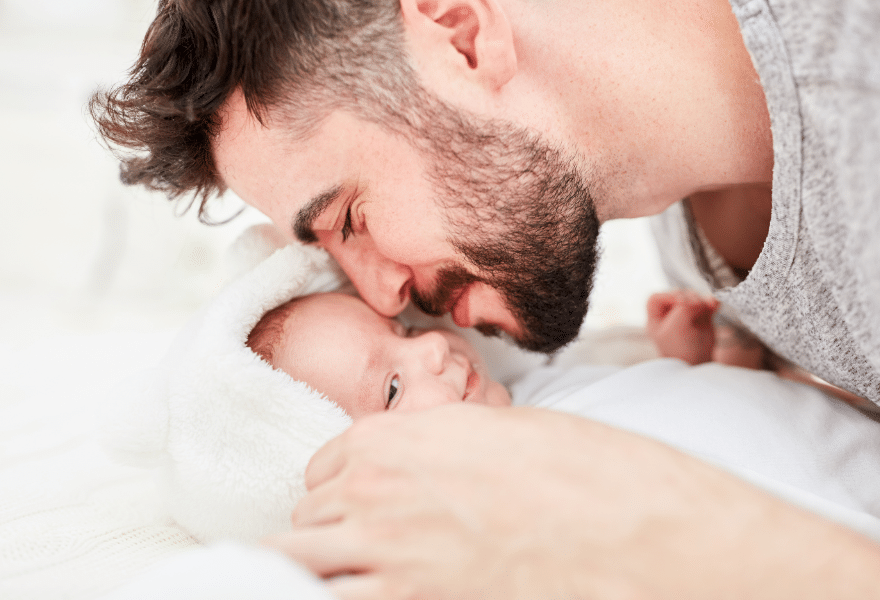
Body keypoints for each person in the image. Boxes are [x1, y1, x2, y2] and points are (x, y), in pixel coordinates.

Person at [90, 0, 880, 596]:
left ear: (460, 31)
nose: (383, 295)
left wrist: (653, 529)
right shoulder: (694, 241)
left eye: (350, 218)